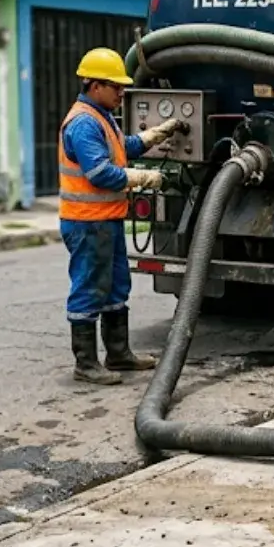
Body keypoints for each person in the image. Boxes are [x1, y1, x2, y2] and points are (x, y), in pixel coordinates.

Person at [58, 47, 183, 385]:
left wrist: (155, 135)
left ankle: (118, 354)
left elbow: (121, 147)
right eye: (116, 87)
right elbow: (100, 173)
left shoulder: (101, 117)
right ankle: (86, 364)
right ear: (95, 85)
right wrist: (146, 178)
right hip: (87, 221)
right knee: (90, 288)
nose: (122, 92)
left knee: (116, 286)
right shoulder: (83, 123)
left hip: (105, 219)